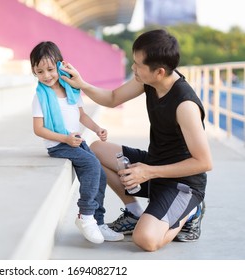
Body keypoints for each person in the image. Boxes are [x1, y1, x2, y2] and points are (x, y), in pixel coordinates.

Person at [60, 29, 213, 251]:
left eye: (138, 65)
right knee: (95, 150)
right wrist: (82, 84)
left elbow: (204, 163)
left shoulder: (185, 105)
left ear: (159, 71)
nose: (133, 68)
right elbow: (113, 98)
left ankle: (191, 212)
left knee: (146, 240)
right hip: (153, 166)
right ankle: (134, 212)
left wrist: (149, 172)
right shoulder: (148, 81)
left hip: (182, 183)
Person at [30, 41, 124, 244]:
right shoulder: (40, 97)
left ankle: (98, 221)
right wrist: (64, 139)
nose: (46, 75)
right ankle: (85, 215)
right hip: (58, 144)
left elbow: (81, 116)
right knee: (91, 164)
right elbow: (38, 129)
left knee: (99, 172)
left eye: (50, 69)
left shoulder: (71, 89)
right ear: (34, 72)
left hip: (74, 141)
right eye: (40, 71)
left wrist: (97, 128)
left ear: (60, 65)